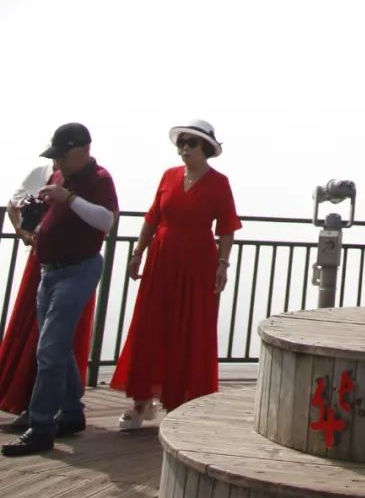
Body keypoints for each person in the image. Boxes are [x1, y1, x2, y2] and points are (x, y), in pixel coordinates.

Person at [110, 120, 241, 429]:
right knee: (150, 324)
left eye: (190, 144)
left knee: (190, 327)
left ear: (205, 148)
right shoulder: (168, 176)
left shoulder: (219, 182)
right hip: (162, 259)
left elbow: (226, 229)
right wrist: (137, 253)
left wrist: (223, 264)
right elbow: (152, 217)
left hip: (197, 262)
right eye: (180, 144)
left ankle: (180, 401)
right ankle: (141, 401)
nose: (184, 149)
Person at [2, 123, 117, 458]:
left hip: (77, 270)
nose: (58, 164)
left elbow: (106, 222)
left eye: (63, 157)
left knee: (50, 349)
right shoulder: (57, 176)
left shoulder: (100, 180)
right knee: (55, 346)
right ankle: (71, 412)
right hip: (49, 271)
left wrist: (69, 198)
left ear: (82, 150)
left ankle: (40, 427)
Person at [0, 163, 96, 431]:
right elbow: (13, 205)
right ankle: (53, 407)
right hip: (43, 259)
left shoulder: (88, 180)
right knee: (43, 335)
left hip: (72, 262)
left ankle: (50, 411)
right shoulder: (43, 174)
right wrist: (25, 234)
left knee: (56, 338)